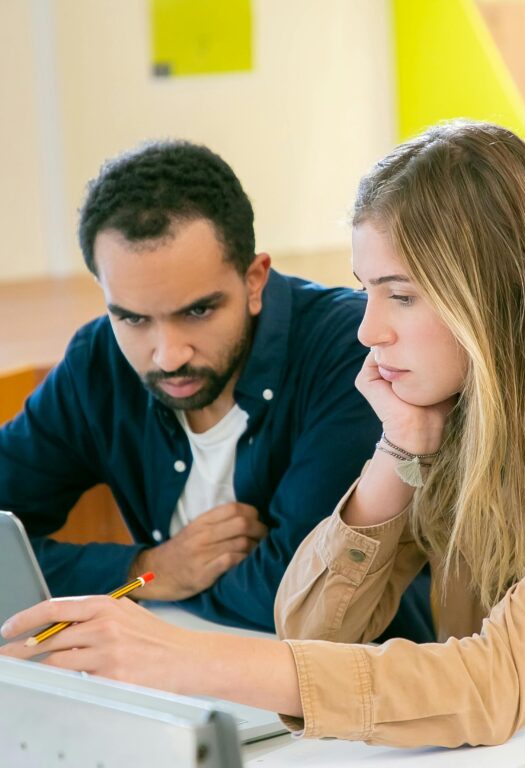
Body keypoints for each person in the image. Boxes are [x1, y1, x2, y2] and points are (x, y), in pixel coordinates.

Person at [3, 121, 525, 747]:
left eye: (399, 296)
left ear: (492, 297)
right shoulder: (460, 388)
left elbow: (495, 679)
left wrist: (187, 659)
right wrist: (399, 451)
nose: (368, 329)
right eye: (368, 290)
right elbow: (311, 629)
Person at [0, 139, 433, 641]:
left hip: (351, 692)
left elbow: (301, 598)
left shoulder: (349, 352)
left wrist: (164, 585)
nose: (168, 355)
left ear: (254, 280)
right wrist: (148, 570)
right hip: (182, 676)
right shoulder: (98, 361)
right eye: (133, 318)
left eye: (197, 311)